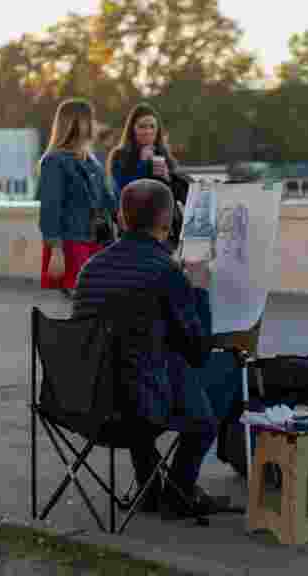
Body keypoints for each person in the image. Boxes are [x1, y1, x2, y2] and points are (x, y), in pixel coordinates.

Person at [72, 178, 223, 520]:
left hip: (88, 404)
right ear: (170, 223)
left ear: (121, 220)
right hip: (140, 409)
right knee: (208, 396)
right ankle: (180, 491)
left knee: (137, 366)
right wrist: (197, 290)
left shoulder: (89, 270)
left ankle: (151, 488)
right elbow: (199, 350)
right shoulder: (165, 272)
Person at [37, 98, 116, 298]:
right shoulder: (53, 161)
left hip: (97, 240)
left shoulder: (90, 159)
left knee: (96, 302)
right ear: (74, 123)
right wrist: (56, 251)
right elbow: (50, 209)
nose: (93, 124)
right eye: (89, 119)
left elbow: (106, 198)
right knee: (82, 304)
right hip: (72, 244)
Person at [108, 103, 187, 249]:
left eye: (152, 127)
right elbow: (123, 189)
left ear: (157, 131)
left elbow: (180, 195)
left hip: (164, 231)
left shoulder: (164, 155)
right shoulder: (120, 155)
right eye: (142, 126)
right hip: (133, 229)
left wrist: (168, 177)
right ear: (132, 129)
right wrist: (142, 163)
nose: (147, 131)